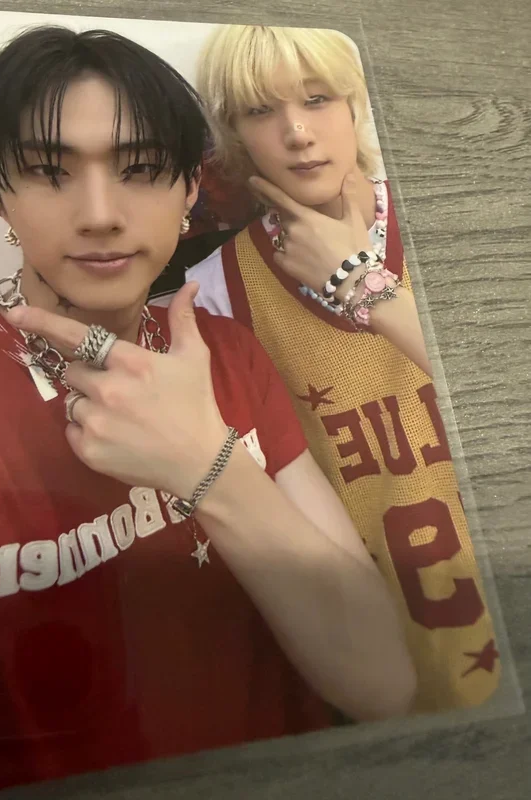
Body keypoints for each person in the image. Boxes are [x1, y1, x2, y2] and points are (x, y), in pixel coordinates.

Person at [0, 26, 416, 793]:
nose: (100, 214)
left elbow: (382, 681)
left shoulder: (229, 352)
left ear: (191, 188)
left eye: (139, 169)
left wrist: (207, 468)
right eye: (48, 172)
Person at [178, 25, 501, 714]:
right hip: (399, 676)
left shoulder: (467, 214)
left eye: (317, 98)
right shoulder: (213, 293)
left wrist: (360, 282)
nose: (297, 132)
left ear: (356, 101)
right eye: (260, 110)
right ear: (234, 134)